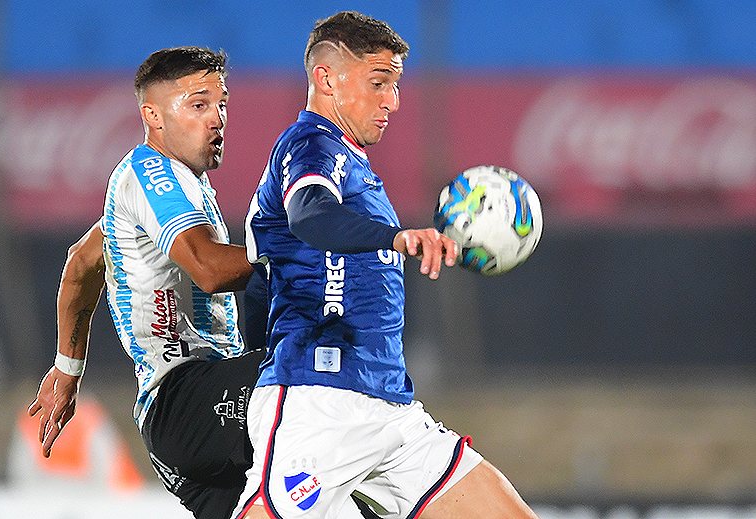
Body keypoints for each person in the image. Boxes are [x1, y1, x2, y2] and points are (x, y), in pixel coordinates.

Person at [28, 46, 376, 519]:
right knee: (319, 374)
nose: (217, 118)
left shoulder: (169, 187)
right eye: (199, 105)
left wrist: (68, 369)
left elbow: (82, 263)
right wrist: (304, 254)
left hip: (195, 421)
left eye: (222, 103)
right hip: (187, 400)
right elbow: (210, 270)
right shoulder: (151, 173)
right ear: (153, 116)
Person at [232, 11, 539, 519]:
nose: (392, 101)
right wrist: (395, 237)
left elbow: (265, 282)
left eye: (395, 85)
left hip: (390, 407)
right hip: (320, 402)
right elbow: (310, 214)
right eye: (378, 83)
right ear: (326, 79)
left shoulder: (352, 165)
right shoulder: (311, 145)